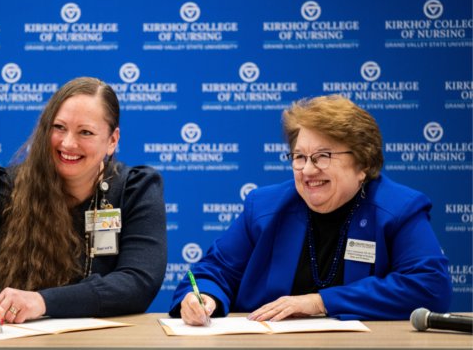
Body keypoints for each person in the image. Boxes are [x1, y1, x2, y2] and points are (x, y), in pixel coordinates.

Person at [170, 94, 451, 325]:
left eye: (322, 157)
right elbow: (212, 272)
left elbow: (429, 287)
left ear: (363, 163)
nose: (307, 170)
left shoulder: (398, 208)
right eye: (299, 157)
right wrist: (204, 297)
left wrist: (320, 302)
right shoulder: (265, 207)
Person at [0, 77, 167, 333]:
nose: (67, 143)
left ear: (112, 140)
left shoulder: (135, 189)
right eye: (59, 127)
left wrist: (41, 302)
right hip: (6, 345)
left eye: (85, 132)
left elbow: (137, 283)